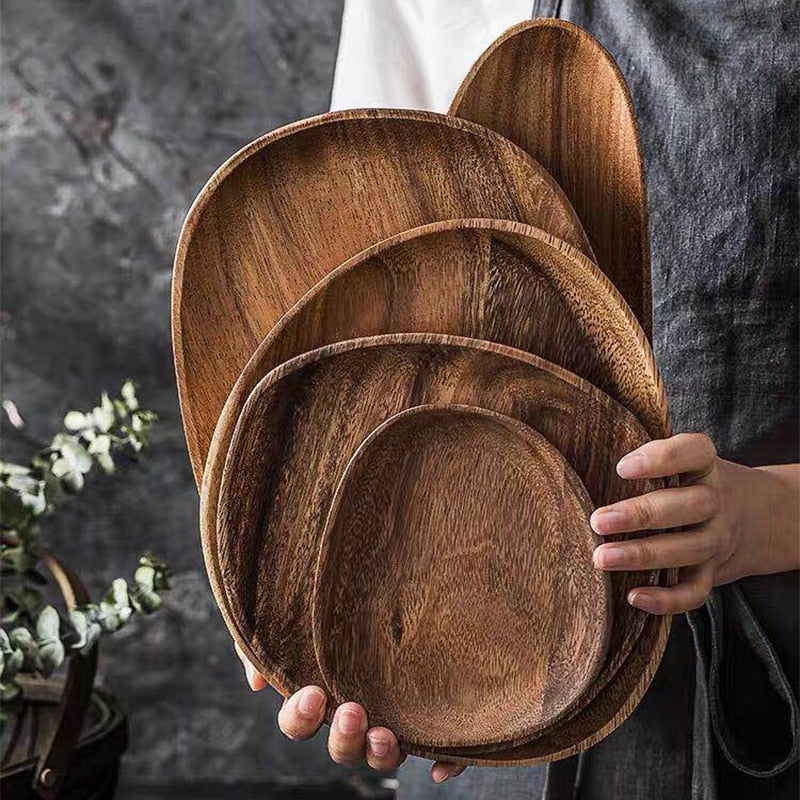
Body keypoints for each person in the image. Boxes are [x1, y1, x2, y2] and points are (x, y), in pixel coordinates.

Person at [237, 2, 799, 798]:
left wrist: (762, 518)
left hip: (778, 673)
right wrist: (323, 601)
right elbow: (357, 354)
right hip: (494, 675)